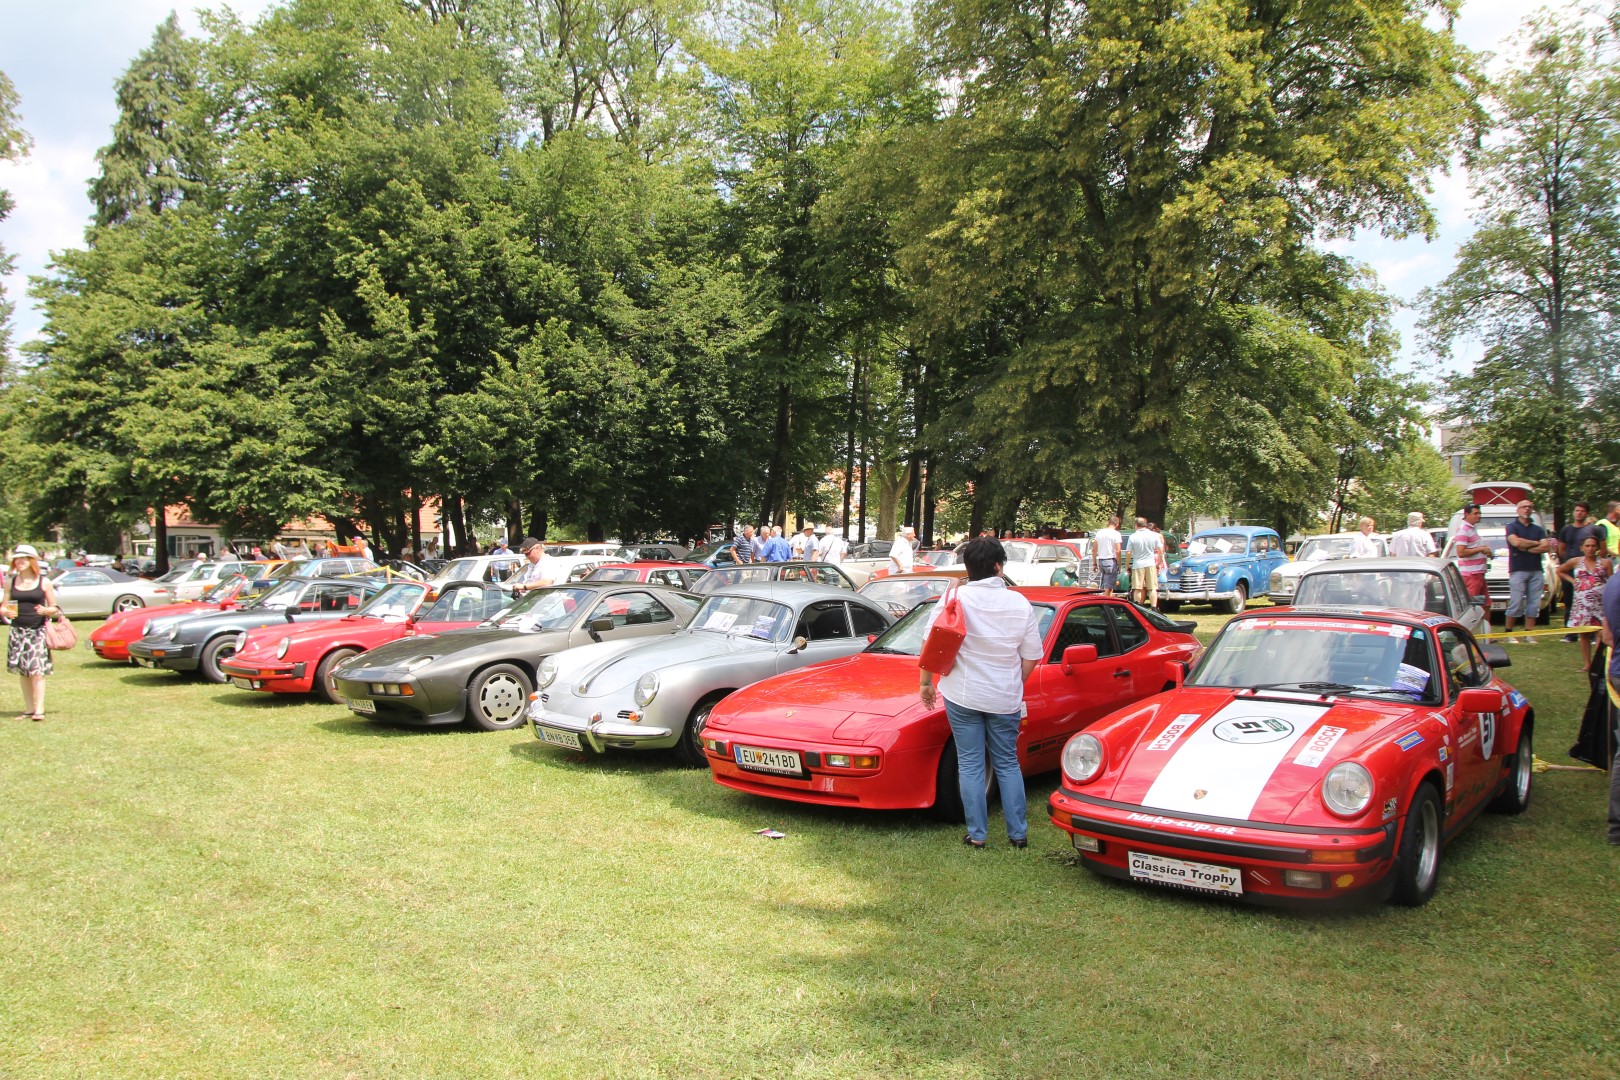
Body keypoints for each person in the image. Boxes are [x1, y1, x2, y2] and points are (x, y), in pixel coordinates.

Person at [918, 536, 1043, 849]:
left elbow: (930, 643)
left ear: (968, 567)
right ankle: (1018, 834)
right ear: (999, 566)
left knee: (971, 764)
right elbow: (1032, 655)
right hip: (1004, 696)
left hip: (962, 694)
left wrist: (925, 683)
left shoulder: (954, 598)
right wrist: (1017, 682)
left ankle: (977, 834)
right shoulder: (1019, 603)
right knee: (1007, 763)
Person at [5, 545, 61, 721]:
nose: (19, 562)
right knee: (24, 671)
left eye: (23, 558)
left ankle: (39, 709)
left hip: (37, 631)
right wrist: (6, 612)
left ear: (32, 561)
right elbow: (4, 606)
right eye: (17, 559)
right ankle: (29, 708)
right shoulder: (10, 582)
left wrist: (46, 610)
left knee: (37, 670)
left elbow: (55, 608)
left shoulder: (44, 582)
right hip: (17, 630)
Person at [1503, 499, 1553, 643]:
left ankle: (1529, 633)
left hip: (1536, 570)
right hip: (1518, 570)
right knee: (1516, 602)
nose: (1527, 509)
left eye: (1530, 507)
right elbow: (1516, 542)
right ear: (1518, 510)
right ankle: (1508, 633)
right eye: (1524, 507)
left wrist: (1527, 547)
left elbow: (1546, 547)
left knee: (1534, 604)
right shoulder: (1511, 527)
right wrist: (1536, 544)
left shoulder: (1538, 529)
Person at [1558, 535, 1611, 672]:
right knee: (1584, 635)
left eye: (1593, 545)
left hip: (1600, 604)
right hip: (1582, 605)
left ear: (1598, 547)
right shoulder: (1575, 562)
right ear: (1582, 548)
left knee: (1600, 633)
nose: (1590, 548)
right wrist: (1572, 581)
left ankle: (1598, 663)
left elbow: (1611, 581)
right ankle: (1587, 664)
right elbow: (1560, 570)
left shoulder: (1605, 563)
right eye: (1587, 546)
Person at [1556, 502, 1601, 631]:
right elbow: (1562, 550)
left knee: (1592, 602)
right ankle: (1569, 631)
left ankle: (1593, 630)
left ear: (1587, 513)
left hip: (1591, 571)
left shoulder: (1594, 529)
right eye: (1576, 510)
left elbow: (1602, 548)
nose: (1579, 513)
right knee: (1569, 601)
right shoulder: (1566, 530)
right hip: (1571, 570)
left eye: (1582, 511)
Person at [1124, 518, 1163, 608]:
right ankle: (1154, 607)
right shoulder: (1154, 535)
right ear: (1145, 525)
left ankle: (1137, 607)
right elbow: (1160, 550)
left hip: (1138, 564)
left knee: (1137, 588)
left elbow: (1128, 552)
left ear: (1136, 525)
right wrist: (1158, 563)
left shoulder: (1133, 536)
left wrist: (1127, 565)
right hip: (1150, 563)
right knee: (1152, 588)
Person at [1089, 515, 1122, 597]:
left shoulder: (1099, 533)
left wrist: (1094, 563)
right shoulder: (1116, 534)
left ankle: (1109, 603)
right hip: (1110, 561)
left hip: (1101, 561)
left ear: (1108, 522)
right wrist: (1119, 564)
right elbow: (1118, 551)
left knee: (1107, 584)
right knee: (1108, 586)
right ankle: (1105, 603)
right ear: (1117, 524)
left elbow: (1094, 549)